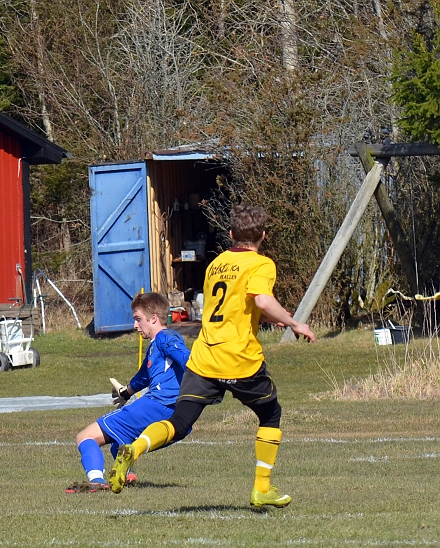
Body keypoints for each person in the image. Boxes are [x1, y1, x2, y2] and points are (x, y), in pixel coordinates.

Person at [108, 206, 316, 508]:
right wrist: (295, 322)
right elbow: (260, 299)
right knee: (270, 415)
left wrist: (273, 317)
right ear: (263, 235)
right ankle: (261, 489)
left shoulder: (216, 264)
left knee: (179, 421)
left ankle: (136, 448)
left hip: (203, 358)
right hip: (239, 358)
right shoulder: (261, 263)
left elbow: (237, 306)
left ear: (230, 234)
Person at [66, 292, 190, 492]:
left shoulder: (166, 338)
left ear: (153, 318)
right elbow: (143, 376)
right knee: (119, 441)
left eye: (138, 319)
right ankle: (127, 475)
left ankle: (96, 481)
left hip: (156, 405)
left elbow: (186, 358)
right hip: (172, 411)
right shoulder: (155, 347)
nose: (135, 326)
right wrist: (127, 392)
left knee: (85, 437)